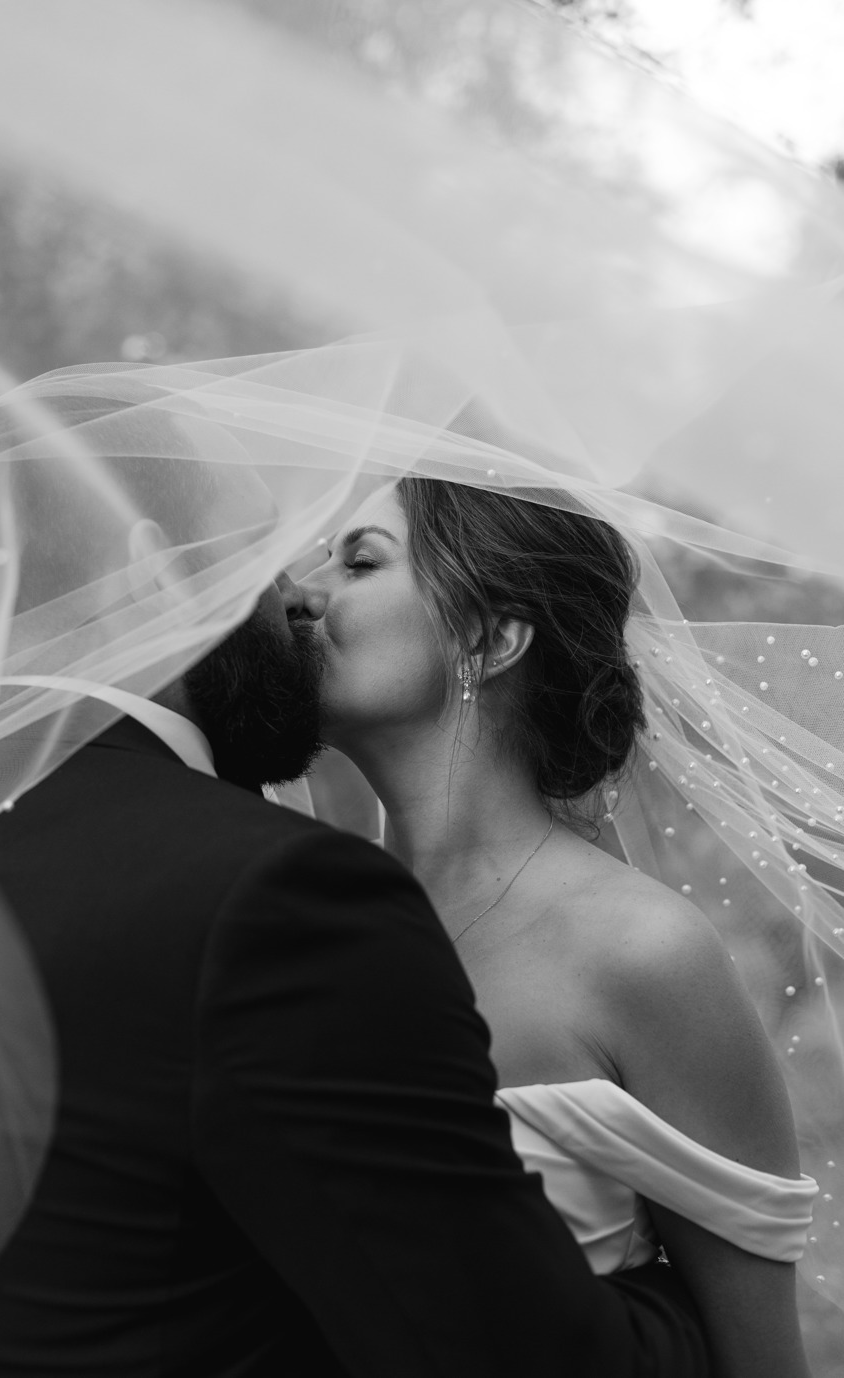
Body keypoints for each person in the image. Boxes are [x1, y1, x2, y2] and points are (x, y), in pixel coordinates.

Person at [0, 376, 712, 1376]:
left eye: (354, 557)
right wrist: (665, 1291)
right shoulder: (270, 898)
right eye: (263, 552)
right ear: (151, 576)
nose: (299, 595)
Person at [298, 477, 820, 1378]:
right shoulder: (295, 919)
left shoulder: (643, 953)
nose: (300, 594)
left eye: (359, 562)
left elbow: (759, 1359)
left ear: (492, 638)